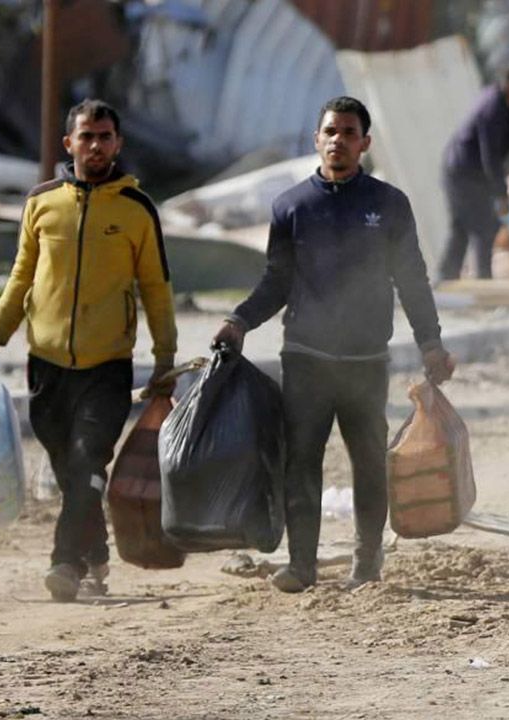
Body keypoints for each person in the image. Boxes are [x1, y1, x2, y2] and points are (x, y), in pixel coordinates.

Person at [213, 97, 454, 594]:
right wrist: (239, 320)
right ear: (316, 140)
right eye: (331, 131)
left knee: (369, 463)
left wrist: (430, 341)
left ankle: (367, 562)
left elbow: (412, 279)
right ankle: (301, 564)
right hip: (306, 360)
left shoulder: (389, 205)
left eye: (349, 132)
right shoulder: (291, 207)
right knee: (300, 463)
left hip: (366, 361)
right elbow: (276, 283)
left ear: (364, 143)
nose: (338, 140)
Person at [0, 99, 178, 602]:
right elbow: (20, 278)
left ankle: (65, 562)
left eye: (105, 137)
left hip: (107, 367)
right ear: (69, 144)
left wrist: (165, 360)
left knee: (86, 464)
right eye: (87, 136)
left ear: (118, 144)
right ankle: (96, 552)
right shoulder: (42, 203)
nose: (96, 145)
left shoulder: (136, 209)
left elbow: (157, 288)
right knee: (72, 472)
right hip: (47, 366)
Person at [439, 63, 509, 280]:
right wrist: (500, 192)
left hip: (464, 171)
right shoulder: (493, 106)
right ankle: (483, 279)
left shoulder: (502, 102)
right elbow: (490, 155)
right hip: (464, 172)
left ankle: (446, 277)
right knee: (483, 225)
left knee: (462, 228)